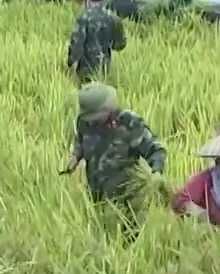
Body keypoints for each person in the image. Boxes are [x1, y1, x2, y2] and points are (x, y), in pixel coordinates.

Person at [60, 81, 166, 235]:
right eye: (89, 117)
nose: (91, 121)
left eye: (95, 116)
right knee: (101, 233)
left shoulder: (129, 123)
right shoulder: (84, 122)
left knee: (128, 236)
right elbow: (81, 140)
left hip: (127, 197)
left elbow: (156, 149)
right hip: (96, 193)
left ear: (108, 108)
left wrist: (156, 172)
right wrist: (75, 157)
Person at [66, 0, 128, 82]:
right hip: (105, 65)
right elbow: (120, 45)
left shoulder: (84, 17)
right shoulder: (113, 17)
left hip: (86, 67)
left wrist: (70, 61)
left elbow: (76, 43)